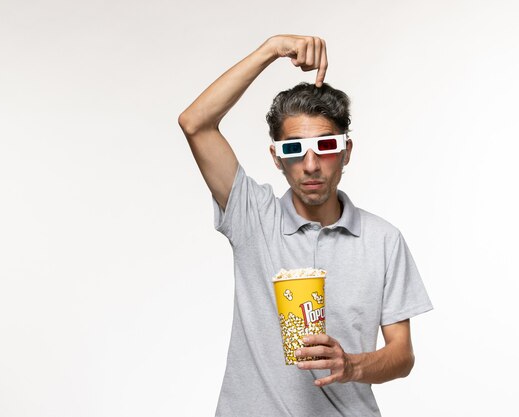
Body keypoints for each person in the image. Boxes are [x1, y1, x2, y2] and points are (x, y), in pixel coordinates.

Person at [178, 35, 433, 417]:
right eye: (294, 149)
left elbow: (402, 355)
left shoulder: (383, 240)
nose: (311, 165)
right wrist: (271, 48)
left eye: (326, 147)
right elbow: (195, 123)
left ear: (346, 151)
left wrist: (352, 366)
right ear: (277, 159)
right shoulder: (253, 217)